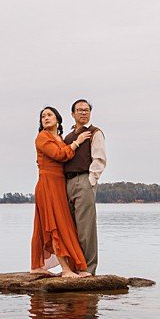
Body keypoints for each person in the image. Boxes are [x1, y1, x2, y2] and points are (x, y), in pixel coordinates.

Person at [32, 106, 92, 278]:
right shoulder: (42, 137)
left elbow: (65, 156)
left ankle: (37, 265)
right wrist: (77, 141)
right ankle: (65, 269)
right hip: (47, 183)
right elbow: (59, 155)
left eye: (49, 115)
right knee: (54, 224)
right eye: (43, 116)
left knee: (46, 225)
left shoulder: (58, 137)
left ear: (57, 119)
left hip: (59, 183)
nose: (46, 118)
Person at [61, 99, 106, 275]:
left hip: (83, 180)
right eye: (79, 110)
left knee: (85, 227)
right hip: (67, 182)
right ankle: (74, 266)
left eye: (86, 110)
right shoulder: (68, 137)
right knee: (71, 227)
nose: (83, 113)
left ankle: (88, 268)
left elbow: (99, 159)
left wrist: (91, 180)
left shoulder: (95, 133)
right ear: (72, 114)